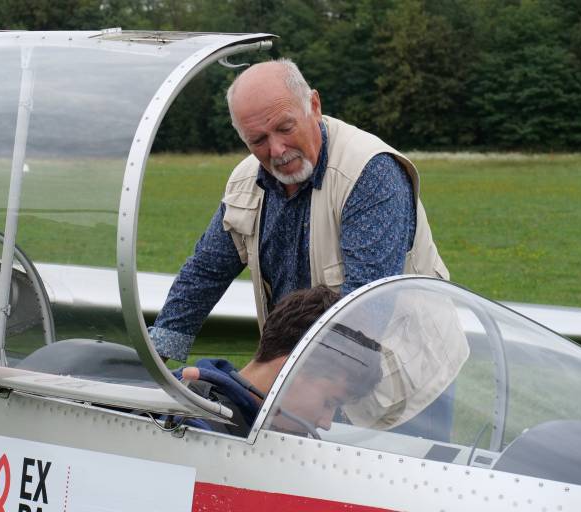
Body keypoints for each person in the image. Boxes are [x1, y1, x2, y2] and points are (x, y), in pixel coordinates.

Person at [150, 59, 448, 363]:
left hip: (403, 368)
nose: (277, 150)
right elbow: (206, 272)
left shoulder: (369, 173)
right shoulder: (245, 182)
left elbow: (365, 314)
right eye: (258, 140)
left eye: (285, 128)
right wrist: (156, 357)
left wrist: (271, 378)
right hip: (303, 369)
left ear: (314, 106)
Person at [174, 285, 382, 437]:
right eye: (329, 403)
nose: (326, 423)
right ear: (291, 370)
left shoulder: (258, 427)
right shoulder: (188, 425)